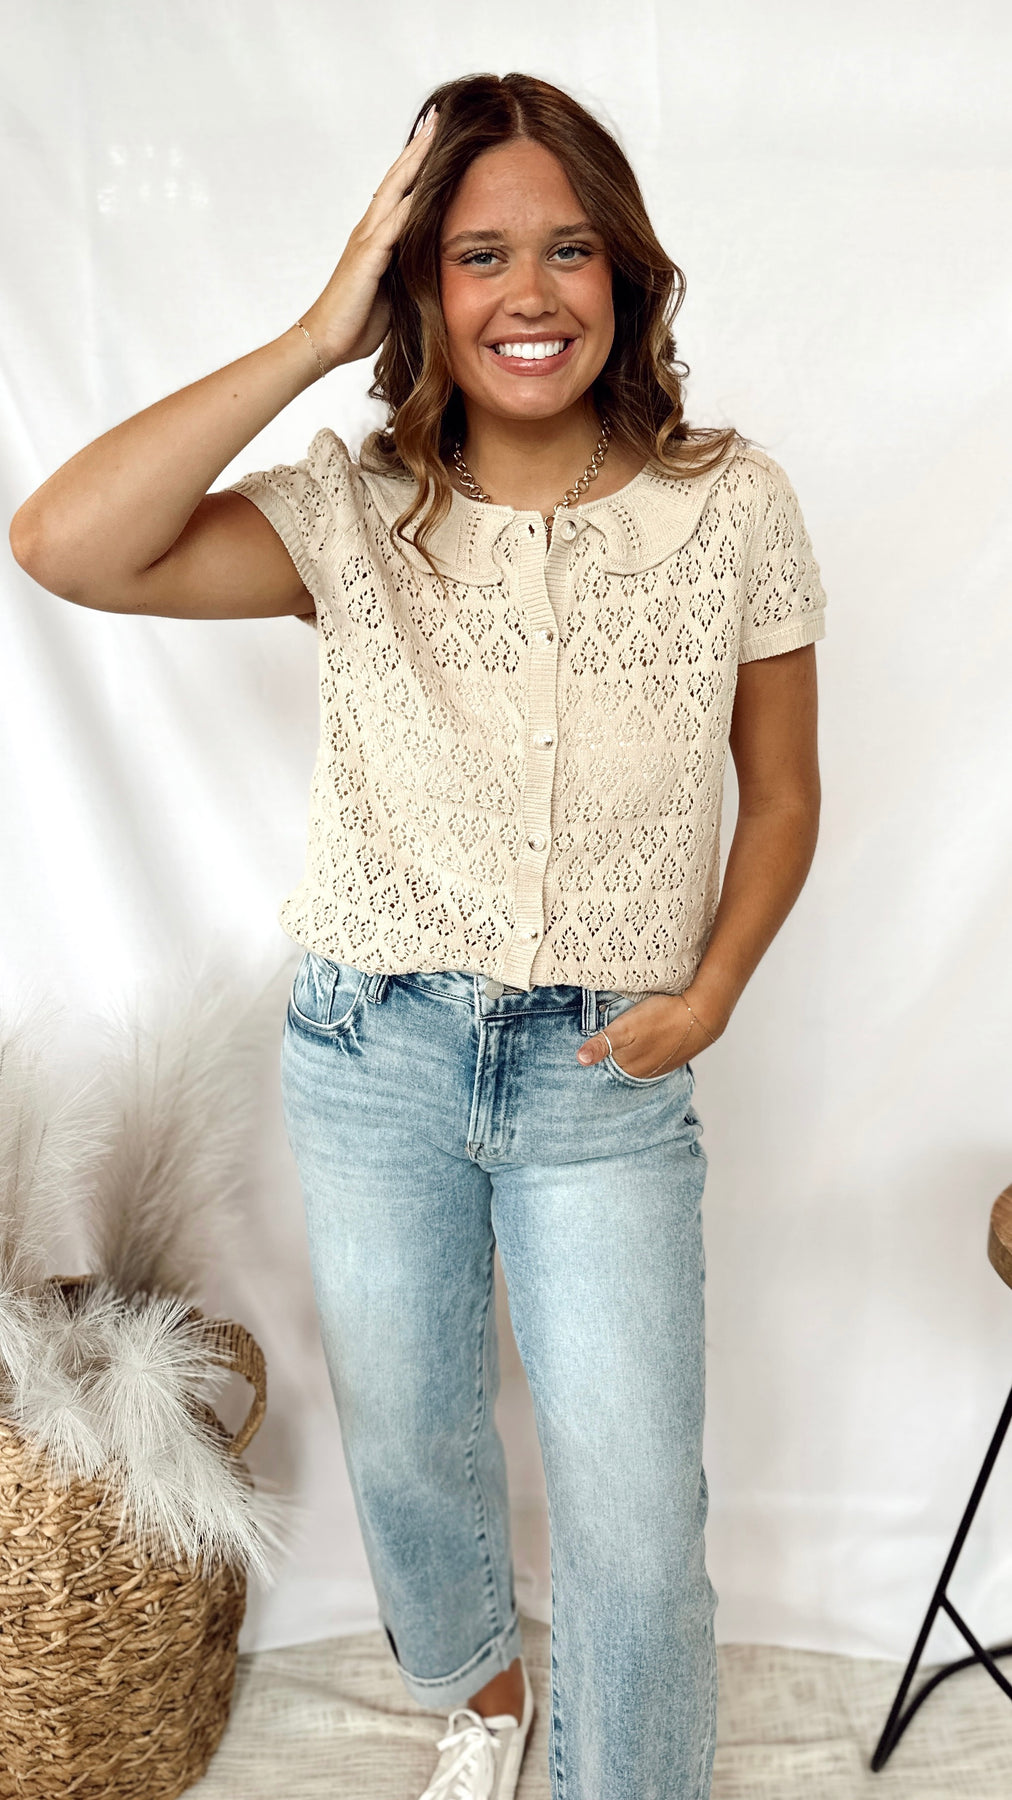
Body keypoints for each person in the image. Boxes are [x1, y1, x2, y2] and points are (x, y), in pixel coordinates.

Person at [9, 70, 825, 1800]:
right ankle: (483, 1692)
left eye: (571, 248)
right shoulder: (353, 511)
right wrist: (316, 335)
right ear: (417, 288)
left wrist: (714, 992)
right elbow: (66, 543)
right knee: (411, 1442)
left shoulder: (731, 505)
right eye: (476, 255)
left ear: (627, 271)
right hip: (370, 1052)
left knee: (636, 1510)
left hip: (609, 1068)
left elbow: (781, 796)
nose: (532, 292)